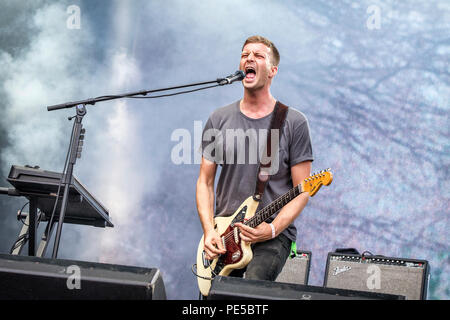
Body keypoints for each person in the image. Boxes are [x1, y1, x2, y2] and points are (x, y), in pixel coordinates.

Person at [196, 35, 313, 282]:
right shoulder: (219, 118)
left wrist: (272, 228)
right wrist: (209, 231)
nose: (249, 58)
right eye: (244, 55)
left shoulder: (293, 122)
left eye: (258, 56)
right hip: (224, 233)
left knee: (250, 292)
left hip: (271, 233)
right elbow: (205, 182)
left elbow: (303, 190)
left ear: (272, 70)